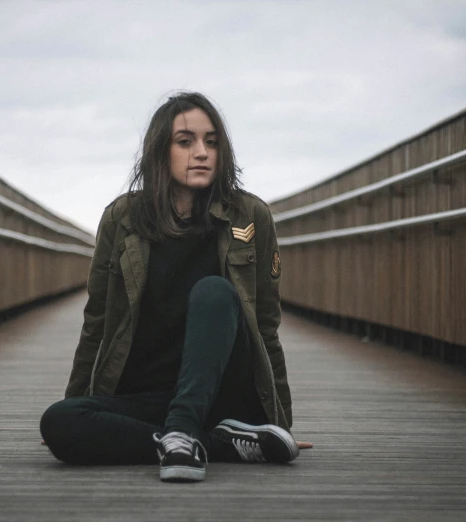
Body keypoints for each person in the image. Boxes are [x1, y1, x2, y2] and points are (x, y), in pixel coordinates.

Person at [40, 92, 309, 482]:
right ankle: (210, 444)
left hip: (222, 397)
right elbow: (96, 323)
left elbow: (266, 327)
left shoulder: (250, 216)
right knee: (59, 422)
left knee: (214, 291)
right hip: (147, 398)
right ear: (160, 150)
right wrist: (78, 400)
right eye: (185, 141)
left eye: (211, 142)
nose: (201, 152)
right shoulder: (122, 218)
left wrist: (281, 424)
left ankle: (186, 430)